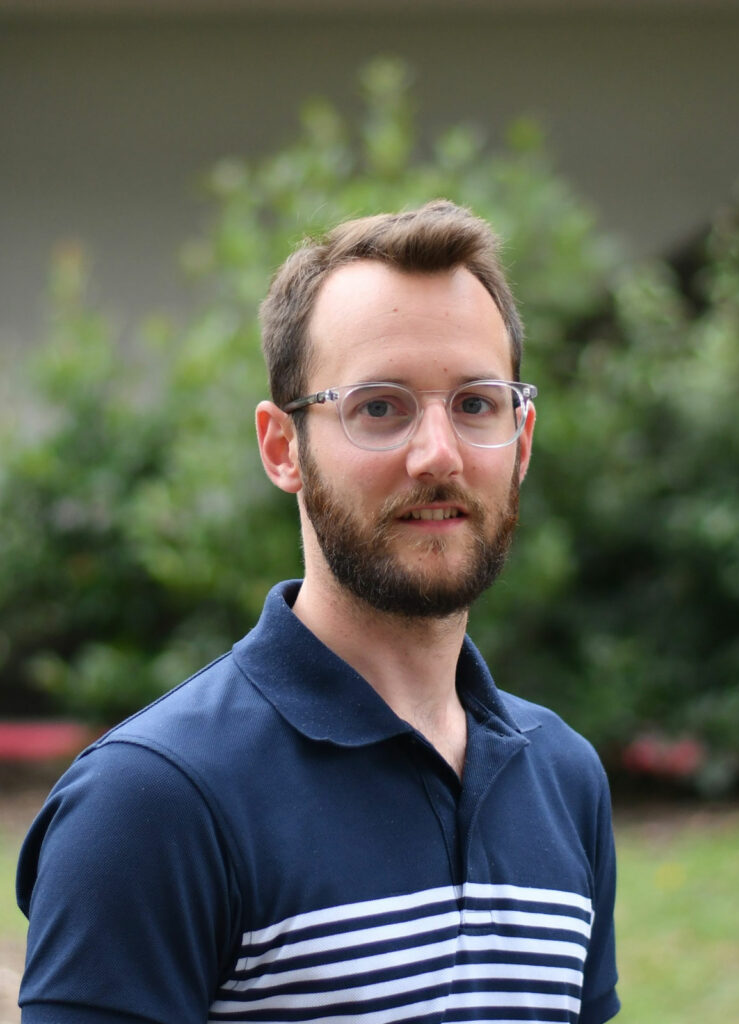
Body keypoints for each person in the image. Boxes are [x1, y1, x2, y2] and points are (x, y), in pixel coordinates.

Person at [17, 200, 620, 1024]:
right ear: (281, 448)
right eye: (379, 407)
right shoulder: (150, 804)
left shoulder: (564, 777)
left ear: (522, 439)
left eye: (476, 404)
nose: (438, 453)